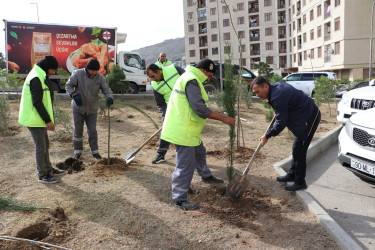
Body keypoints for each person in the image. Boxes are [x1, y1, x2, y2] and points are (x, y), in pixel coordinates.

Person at [161, 58, 236, 210]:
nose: (208, 79)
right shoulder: (191, 80)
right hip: (183, 130)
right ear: (203, 71)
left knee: (200, 152)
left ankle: (205, 175)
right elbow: (200, 109)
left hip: (189, 128)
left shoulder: (190, 78)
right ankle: (180, 198)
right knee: (185, 165)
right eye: (209, 76)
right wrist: (223, 118)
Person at [251, 76, 321, 192]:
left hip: (309, 117)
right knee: (296, 148)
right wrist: (279, 111)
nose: (257, 95)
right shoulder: (275, 89)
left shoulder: (277, 95)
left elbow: (281, 123)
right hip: (302, 115)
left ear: (266, 86)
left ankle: (300, 182)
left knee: (299, 150)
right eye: (255, 93)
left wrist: (267, 135)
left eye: (258, 92)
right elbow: (286, 103)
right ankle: (292, 174)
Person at [18, 55, 65, 184]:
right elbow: (37, 102)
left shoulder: (41, 75)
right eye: (53, 70)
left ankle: (48, 169)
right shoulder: (36, 78)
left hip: (38, 118)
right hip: (34, 119)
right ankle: (43, 175)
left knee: (45, 145)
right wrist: (47, 120)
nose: (54, 72)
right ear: (46, 67)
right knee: (41, 147)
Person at [65, 58, 113, 160]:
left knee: (92, 131)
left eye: (96, 71)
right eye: (92, 71)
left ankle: (95, 151)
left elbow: (106, 89)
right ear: (87, 68)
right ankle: (77, 152)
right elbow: (68, 86)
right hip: (78, 108)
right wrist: (73, 94)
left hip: (92, 109)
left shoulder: (99, 77)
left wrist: (109, 97)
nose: (94, 73)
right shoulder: (78, 74)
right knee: (78, 131)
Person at [146, 63, 185, 164]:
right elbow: (161, 104)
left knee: (186, 132)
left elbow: (190, 80)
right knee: (166, 130)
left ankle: (189, 157)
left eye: (153, 76)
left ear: (158, 71)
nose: (152, 80)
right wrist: (165, 115)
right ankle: (161, 154)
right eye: (150, 78)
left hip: (187, 105)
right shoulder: (155, 85)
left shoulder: (174, 69)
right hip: (171, 109)